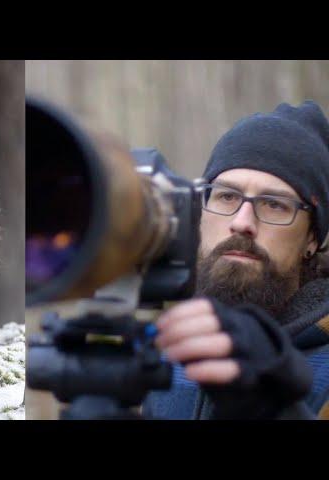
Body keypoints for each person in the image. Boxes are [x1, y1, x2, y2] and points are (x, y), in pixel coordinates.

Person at [143, 100, 329, 419]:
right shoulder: (165, 357)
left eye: (274, 204)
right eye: (227, 196)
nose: (242, 222)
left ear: (312, 238)